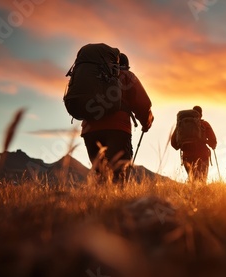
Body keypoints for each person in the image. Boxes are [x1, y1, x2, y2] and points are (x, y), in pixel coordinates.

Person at [81, 53, 154, 184]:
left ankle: (100, 203)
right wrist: (146, 123)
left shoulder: (92, 75)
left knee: (100, 174)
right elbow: (143, 103)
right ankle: (117, 203)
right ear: (125, 65)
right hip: (118, 128)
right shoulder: (127, 76)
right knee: (118, 174)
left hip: (89, 130)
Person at [171, 106, 217, 183]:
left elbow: (173, 143)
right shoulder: (204, 124)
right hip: (203, 155)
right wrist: (211, 144)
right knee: (202, 181)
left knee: (192, 179)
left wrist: (182, 144)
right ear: (201, 114)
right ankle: (201, 194)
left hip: (187, 156)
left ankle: (192, 194)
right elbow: (213, 141)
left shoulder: (181, 125)